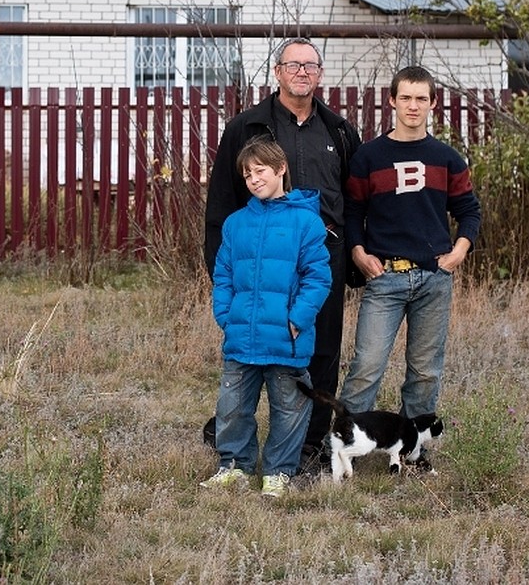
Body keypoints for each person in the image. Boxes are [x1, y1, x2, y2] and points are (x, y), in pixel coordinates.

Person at [202, 36, 362, 477]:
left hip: (319, 256)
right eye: (293, 65)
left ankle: (307, 448)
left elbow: (354, 200)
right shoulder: (246, 128)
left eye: (311, 65)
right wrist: (221, 273)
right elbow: (221, 201)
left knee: (321, 354)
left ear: (320, 74)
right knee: (251, 355)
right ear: (277, 72)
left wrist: (353, 256)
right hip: (258, 261)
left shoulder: (339, 131)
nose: (302, 73)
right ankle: (236, 450)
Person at [339, 65, 480, 469]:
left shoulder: (447, 158)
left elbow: (469, 210)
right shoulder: (369, 156)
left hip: (434, 279)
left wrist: (460, 250)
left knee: (425, 372)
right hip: (385, 278)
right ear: (392, 101)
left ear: (432, 103)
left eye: (421, 98)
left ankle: (413, 453)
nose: (413, 106)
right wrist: (358, 251)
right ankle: (346, 447)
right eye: (406, 98)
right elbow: (353, 211)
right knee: (366, 366)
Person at [200, 138, 332, 498]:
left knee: (289, 409)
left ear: (280, 169)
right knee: (232, 408)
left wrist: (297, 319)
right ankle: (235, 466)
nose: (254, 179)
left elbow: (318, 277)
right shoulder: (236, 223)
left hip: (286, 337)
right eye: (247, 174)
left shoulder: (306, 222)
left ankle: (278, 472)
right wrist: (226, 315)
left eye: (260, 171)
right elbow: (224, 273)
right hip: (241, 335)